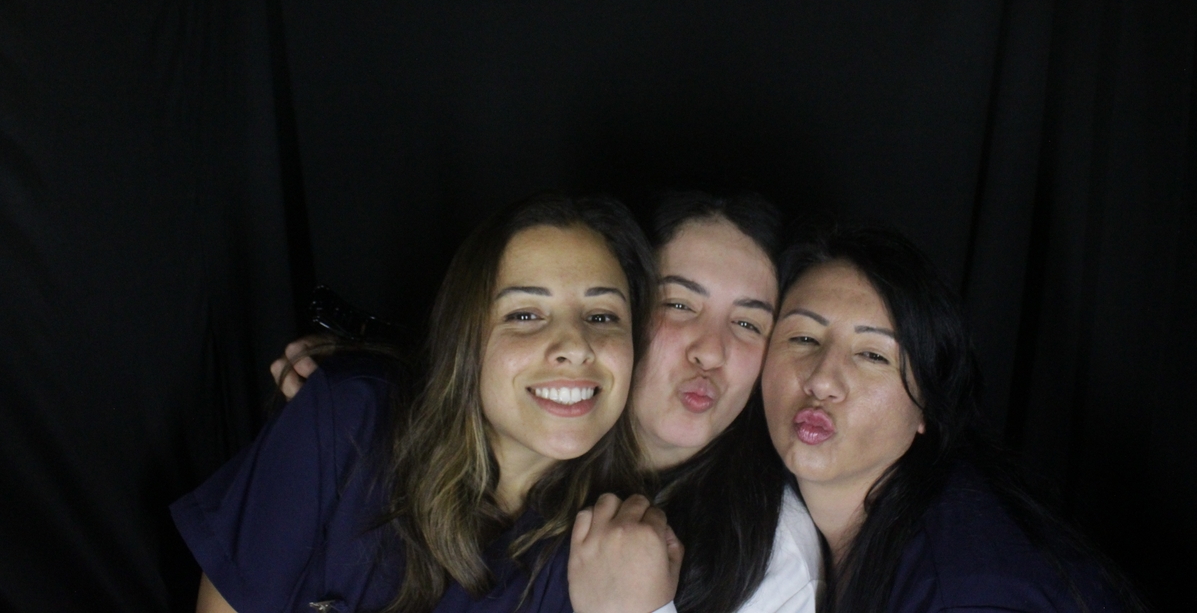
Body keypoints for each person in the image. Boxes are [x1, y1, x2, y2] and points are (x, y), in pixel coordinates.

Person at [276, 191, 824, 613]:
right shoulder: (522, 461)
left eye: (749, 323)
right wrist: (364, 381)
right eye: (678, 304)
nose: (711, 351)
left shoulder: (776, 557)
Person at [172, 193, 668, 613]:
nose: (576, 346)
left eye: (602, 317)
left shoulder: (612, 559)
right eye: (524, 315)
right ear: (464, 339)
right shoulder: (348, 420)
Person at [760, 225, 1143, 612]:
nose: (822, 381)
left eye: (873, 356)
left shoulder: (969, 592)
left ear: (927, 405)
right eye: (803, 338)